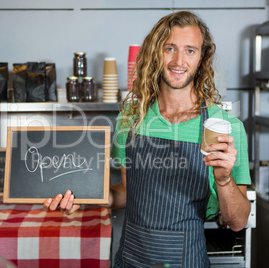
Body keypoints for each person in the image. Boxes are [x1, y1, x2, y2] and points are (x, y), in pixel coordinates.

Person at [44, 11, 251, 267]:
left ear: (201, 58)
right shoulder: (131, 118)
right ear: (156, 53)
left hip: (186, 260)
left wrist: (223, 179)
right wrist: (86, 197)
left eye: (190, 50)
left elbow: (238, 221)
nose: (178, 60)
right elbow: (126, 193)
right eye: (169, 48)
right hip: (130, 258)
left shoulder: (226, 128)